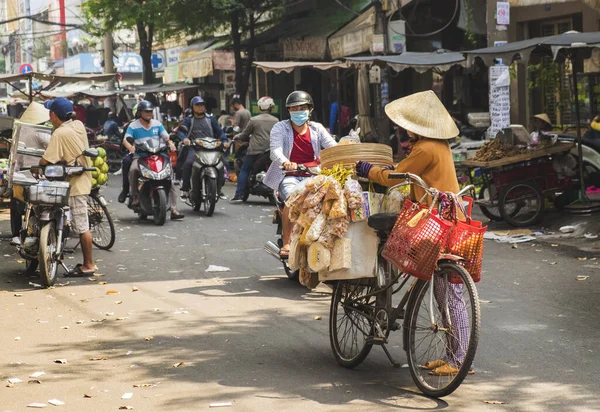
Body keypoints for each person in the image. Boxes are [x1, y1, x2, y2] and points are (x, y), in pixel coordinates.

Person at [355, 90, 471, 376]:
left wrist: (368, 169)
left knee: (450, 293)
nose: (404, 128)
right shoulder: (438, 144)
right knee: (445, 290)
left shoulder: (424, 149)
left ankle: (459, 360)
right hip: (450, 217)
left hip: (437, 220)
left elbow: (392, 176)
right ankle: (453, 355)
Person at [264, 91, 337, 257]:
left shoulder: (317, 129)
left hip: (315, 176)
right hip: (288, 176)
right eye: (294, 108)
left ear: (309, 109)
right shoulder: (280, 127)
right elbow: (275, 150)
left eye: (302, 107)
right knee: (293, 199)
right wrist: (285, 162)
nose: (298, 111)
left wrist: (344, 151)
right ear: (288, 110)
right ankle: (287, 243)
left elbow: (333, 147)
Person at [39, 98, 95, 277]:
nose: (49, 117)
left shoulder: (59, 133)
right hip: (83, 178)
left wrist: (35, 167)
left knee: (82, 225)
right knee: (77, 221)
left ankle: (89, 265)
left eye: (50, 113)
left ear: (54, 115)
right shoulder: (77, 124)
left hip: (77, 184)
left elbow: (46, 160)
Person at [122, 100, 184, 220]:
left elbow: (166, 137)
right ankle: (134, 196)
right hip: (141, 156)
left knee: (169, 178)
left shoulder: (157, 124)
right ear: (140, 112)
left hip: (158, 155)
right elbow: (126, 139)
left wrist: (170, 143)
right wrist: (131, 147)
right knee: (133, 170)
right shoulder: (133, 126)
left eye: (150, 111)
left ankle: (174, 209)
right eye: (146, 111)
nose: (149, 113)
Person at [177, 96, 229, 199]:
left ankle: (219, 188)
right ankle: (185, 189)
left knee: (224, 164)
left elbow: (220, 132)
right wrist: (184, 139)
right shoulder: (189, 120)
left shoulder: (211, 119)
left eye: (202, 105)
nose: (200, 107)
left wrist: (225, 141)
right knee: (188, 163)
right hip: (195, 148)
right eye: (198, 105)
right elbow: (181, 132)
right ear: (193, 107)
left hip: (212, 148)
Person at [230, 96, 279, 203]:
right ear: (271, 107)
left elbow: (245, 134)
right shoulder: (276, 120)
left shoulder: (254, 120)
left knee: (244, 170)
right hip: (271, 151)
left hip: (255, 151)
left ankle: (239, 195)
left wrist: (238, 137)